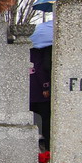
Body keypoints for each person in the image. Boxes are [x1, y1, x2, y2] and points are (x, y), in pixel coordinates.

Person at [29, 20, 53, 152]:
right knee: (46, 121)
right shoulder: (45, 50)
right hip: (42, 92)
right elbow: (43, 68)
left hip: (30, 90)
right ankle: (48, 149)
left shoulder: (29, 48)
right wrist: (46, 86)